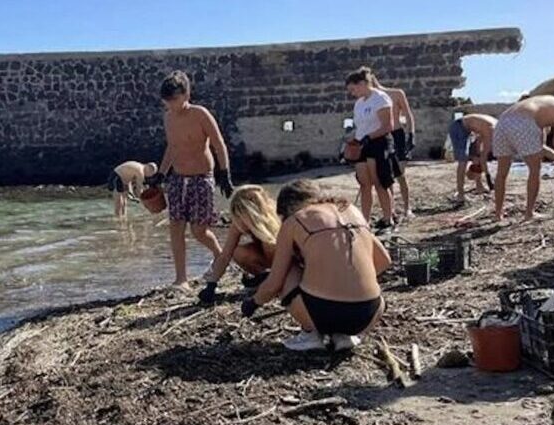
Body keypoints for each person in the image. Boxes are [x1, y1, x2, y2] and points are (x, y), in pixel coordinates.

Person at [241, 179, 390, 352]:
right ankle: (344, 336)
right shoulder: (351, 210)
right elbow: (384, 261)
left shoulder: (295, 221)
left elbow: (275, 282)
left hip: (322, 314)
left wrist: (252, 303)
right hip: (368, 314)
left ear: (288, 209)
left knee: (290, 268)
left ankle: (310, 335)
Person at [148, 70, 234, 290]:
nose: (171, 106)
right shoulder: (168, 118)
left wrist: (225, 173)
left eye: (175, 100)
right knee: (175, 227)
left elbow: (218, 144)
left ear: (186, 94)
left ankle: (221, 257)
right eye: (167, 102)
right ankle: (181, 279)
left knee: (199, 230)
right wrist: (161, 174)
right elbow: (172, 147)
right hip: (177, 178)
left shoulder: (200, 114)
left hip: (201, 177)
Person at [493, 95, 554, 221]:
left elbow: (541, 148)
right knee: (535, 170)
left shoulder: (545, 108)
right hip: (522, 122)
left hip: (501, 123)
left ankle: (498, 214)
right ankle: (529, 213)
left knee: (501, 173)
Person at [197, 185, 281, 304]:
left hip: (287, 260)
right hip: (269, 260)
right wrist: (212, 284)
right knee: (238, 252)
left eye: (242, 215)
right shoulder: (238, 223)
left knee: (269, 244)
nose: (239, 221)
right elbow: (225, 255)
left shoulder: (278, 215)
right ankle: (263, 277)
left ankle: (276, 279)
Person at [345, 67, 401, 232]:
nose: (352, 93)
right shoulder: (359, 104)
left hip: (378, 143)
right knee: (364, 184)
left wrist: (369, 137)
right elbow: (360, 127)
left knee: (379, 183)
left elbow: (388, 126)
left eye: (353, 89)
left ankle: (387, 218)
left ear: (362, 83)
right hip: (363, 144)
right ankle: (364, 220)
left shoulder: (380, 98)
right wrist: (353, 142)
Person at [372, 74, 415, 219]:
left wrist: (411, 134)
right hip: (384, 137)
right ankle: (391, 210)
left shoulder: (396, 93)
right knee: (387, 175)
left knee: (401, 175)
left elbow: (408, 115)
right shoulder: (370, 100)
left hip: (398, 135)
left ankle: (407, 208)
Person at [449, 113, 497, 203]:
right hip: (458, 127)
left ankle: (479, 187)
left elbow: (479, 141)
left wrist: (477, 155)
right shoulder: (492, 131)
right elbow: (484, 158)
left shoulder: (496, 128)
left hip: (468, 129)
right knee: (463, 160)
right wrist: (489, 178)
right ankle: (460, 195)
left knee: (477, 158)